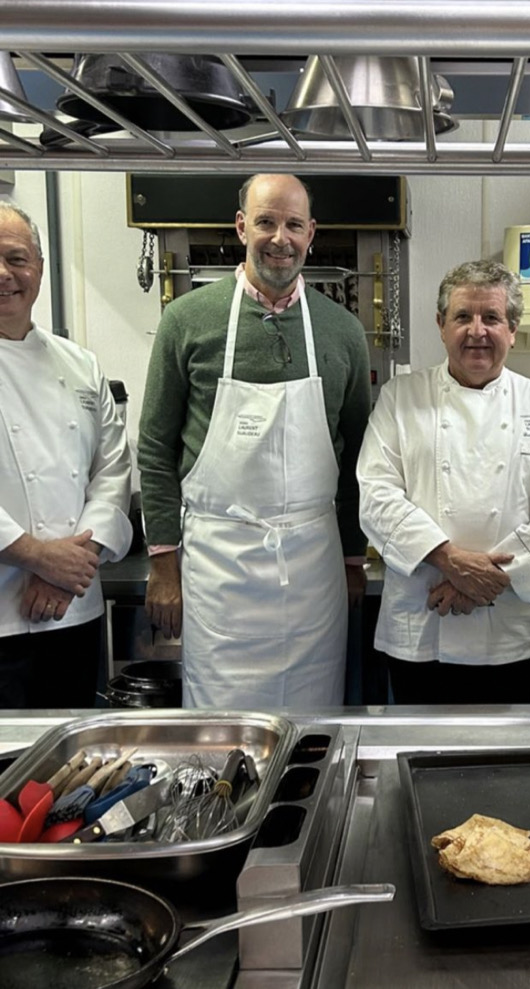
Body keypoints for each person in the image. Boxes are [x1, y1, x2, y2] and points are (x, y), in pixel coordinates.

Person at [138, 173, 371, 710]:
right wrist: (164, 563)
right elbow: (154, 450)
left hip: (313, 567)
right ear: (242, 227)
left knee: (312, 731)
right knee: (221, 731)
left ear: (312, 232)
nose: (279, 238)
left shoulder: (342, 331)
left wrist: (352, 559)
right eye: (266, 222)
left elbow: (358, 453)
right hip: (222, 567)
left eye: (293, 224)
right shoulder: (186, 320)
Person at [357, 259, 530, 704]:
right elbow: (376, 495)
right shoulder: (401, 399)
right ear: (440, 325)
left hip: (512, 625)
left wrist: (487, 578)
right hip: (423, 618)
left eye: (491, 317)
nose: (477, 331)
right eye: (462, 317)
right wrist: (451, 561)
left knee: (502, 762)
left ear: (512, 328)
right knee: (421, 757)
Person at [0, 203, 132, 708]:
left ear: (38, 267)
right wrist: (37, 556)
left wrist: (76, 561)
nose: (5, 274)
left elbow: (113, 469)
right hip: (2, 614)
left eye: (17, 259)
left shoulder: (78, 364)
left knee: (71, 762)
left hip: (74, 608)